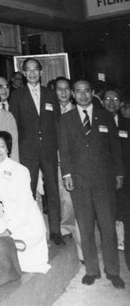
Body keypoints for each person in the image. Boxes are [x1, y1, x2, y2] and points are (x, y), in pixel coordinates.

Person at [59, 80, 125, 288]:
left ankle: (113, 271)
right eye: (78, 92)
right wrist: (66, 174)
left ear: (92, 93)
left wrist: (119, 174)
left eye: (86, 91)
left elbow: (115, 148)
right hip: (79, 181)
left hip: (104, 182)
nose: (83, 95)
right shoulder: (66, 119)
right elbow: (64, 149)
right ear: (72, 94)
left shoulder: (105, 116)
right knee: (85, 228)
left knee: (108, 228)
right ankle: (91, 270)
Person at [0, 130, 50, 274]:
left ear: (8, 148)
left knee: (20, 266)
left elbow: (25, 206)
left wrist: (8, 231)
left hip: (26, 223)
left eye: (2, 146)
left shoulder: (20, 170)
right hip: (8, 218)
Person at [9, 58, 63, 245]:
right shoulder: (17, 96)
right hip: (27, 151)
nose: (32, 73)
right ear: (23, 73)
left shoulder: (50, 94)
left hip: (48, 149)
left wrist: (58, 150)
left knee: (53, 191)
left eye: (35, 70)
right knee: (28, 192)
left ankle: (55, 232)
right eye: (28, 70)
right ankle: (29, 232)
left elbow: (57, 123)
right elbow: (14, 125)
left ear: (41, 72)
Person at [55, 77, 83, 260]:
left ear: (71, 92)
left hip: (75, 164)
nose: (63, 92)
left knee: (74, 201)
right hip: (55, 162)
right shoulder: (50, 111)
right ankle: (65, 228)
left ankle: (79, 238)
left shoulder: (78, 112)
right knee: (63, 198)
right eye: (59, 89)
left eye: (67, 89)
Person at [103, 88, 130, 271]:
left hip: (125, 180)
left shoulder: (126, 123)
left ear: (120, 103)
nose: (112, 102)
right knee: (108, 220)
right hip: (103, 179)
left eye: (115, 99)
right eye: (108, 98)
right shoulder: (95, 120)